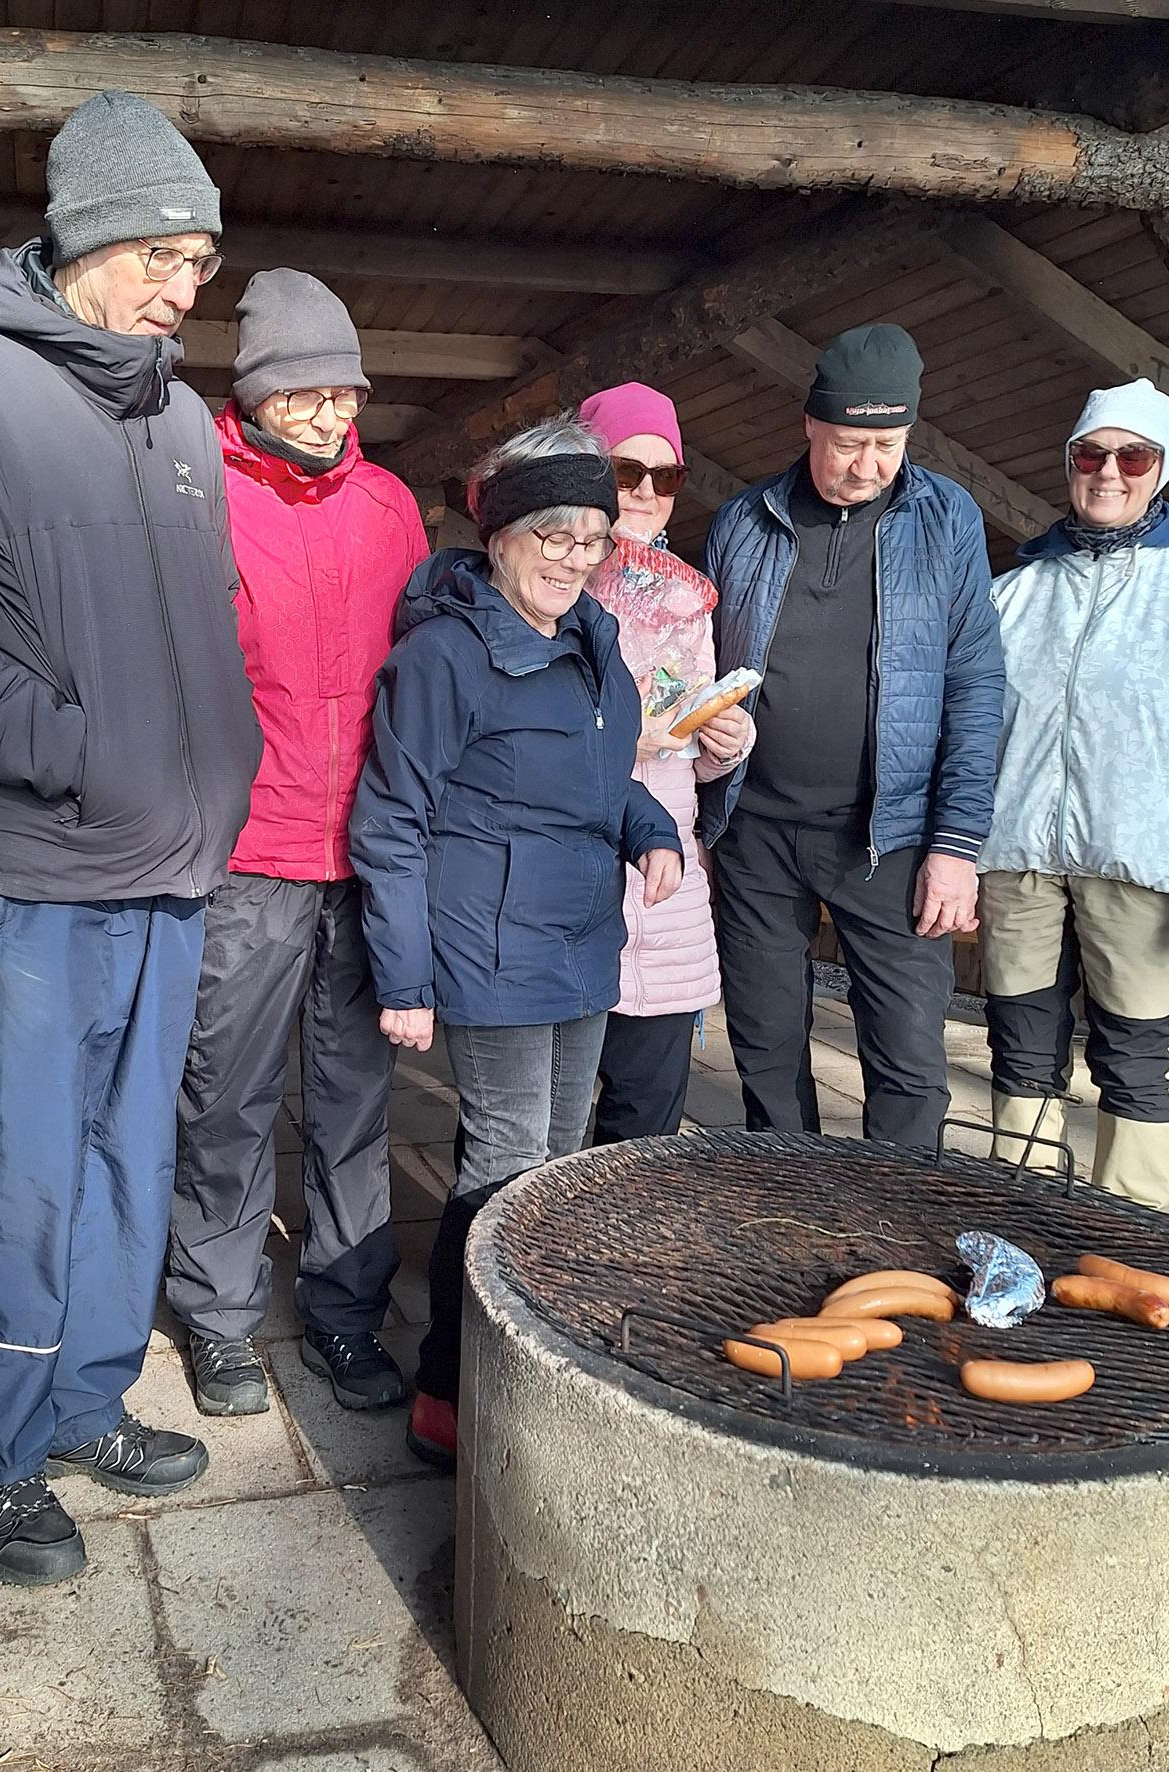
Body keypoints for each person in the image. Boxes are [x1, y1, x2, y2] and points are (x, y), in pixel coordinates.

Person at [0, 91, 262, 1586]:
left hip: (170, 871)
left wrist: (218, 764)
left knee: (131, 1159)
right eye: (162, 257)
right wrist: (73, 749)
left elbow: (205, 627)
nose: (184, 289)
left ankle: (85, 1404)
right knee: (28, 1174)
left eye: (200, 263)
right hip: (36, 873)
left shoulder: (180, 420)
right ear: (86, 242)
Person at [350, 417, 683, 1469]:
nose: (574, 559)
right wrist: (404, 977)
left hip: (581, 942)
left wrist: (651, 828)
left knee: (558, 1165)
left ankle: (533, 1359)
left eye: (592, 538)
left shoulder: (594, 641)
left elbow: (599, 776)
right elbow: (390, 819)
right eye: (553, 534)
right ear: (498, 534)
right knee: (502, 1166)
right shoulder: (444, 655)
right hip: (489, 946)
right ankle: (449, 1391)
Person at [166, 270, 428, 1416]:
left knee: (353, 1096)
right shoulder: (201, 494)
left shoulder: (390, 506)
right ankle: (218, 1315)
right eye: (306, 392)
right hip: (249, 852)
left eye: (345, 391)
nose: (331, 413)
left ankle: (344, 1310)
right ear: (256, 394)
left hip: (364, 856)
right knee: (224, 1094)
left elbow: (419, 672)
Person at [701, 323, 1004, 1150]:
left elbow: (976, 684)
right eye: (848, 443)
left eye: (887, 446)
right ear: (810, 425)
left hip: (890, 835)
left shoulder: (946, 518)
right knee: (765, 1046)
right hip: (755, 830)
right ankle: (790, 1197)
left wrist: (957, 845)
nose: (867, 465)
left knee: (907, 1058)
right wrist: (704, 758)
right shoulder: (743, 519)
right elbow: (702, 669)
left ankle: (897, 1213)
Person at [979, 381, 1169, 1209]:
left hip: (1142, 864)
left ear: (1162, 468)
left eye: (1133, 457)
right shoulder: (1014, 592)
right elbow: (971, 734)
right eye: (1090, 454)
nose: (1108, 472)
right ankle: (1023, 1218)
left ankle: (1128, 1234)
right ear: (1069, 463)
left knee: (1137, 1055)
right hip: (1019, 861)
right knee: (1020, 1046)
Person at [578, 382, 753, 1142]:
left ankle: (620, 1229)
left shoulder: (687, 602)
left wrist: (723, 743)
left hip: (665, 888)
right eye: (626, 471)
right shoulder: (548, 585)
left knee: (646, 1122)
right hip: (575, 875)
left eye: (666, 475)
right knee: (538, 1122)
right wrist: (623, 736)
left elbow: (687, 750)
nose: (646, 492)